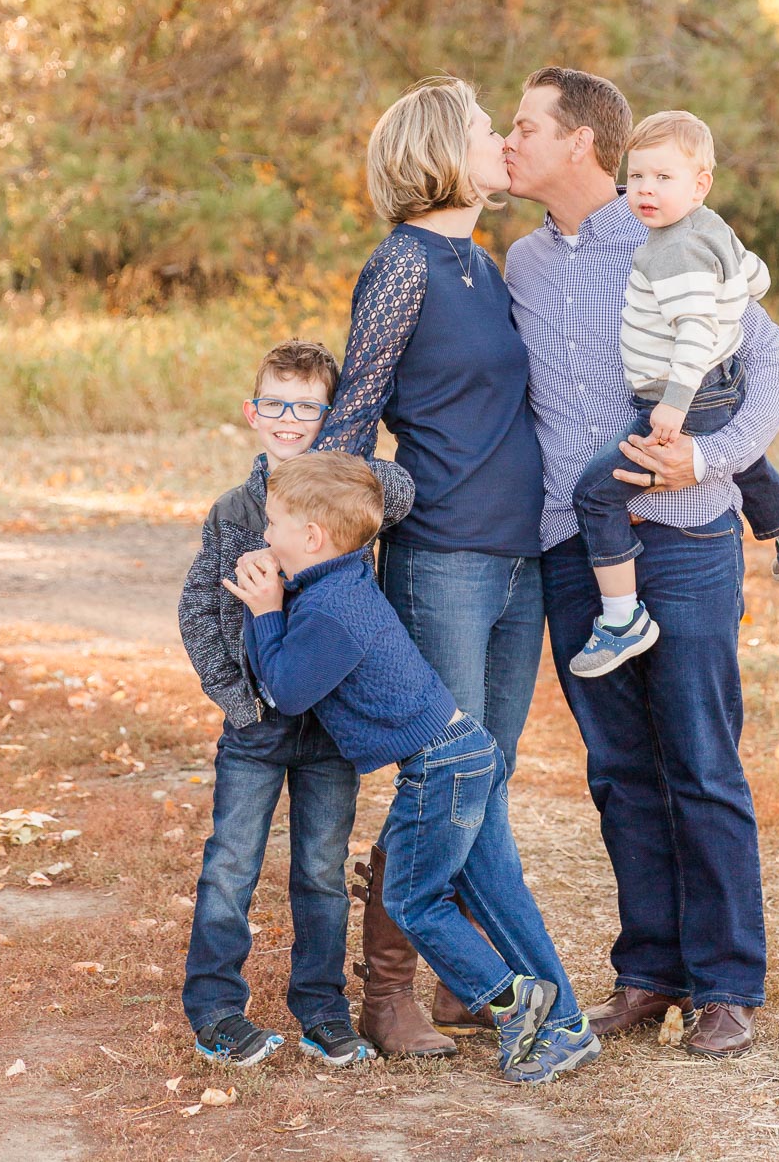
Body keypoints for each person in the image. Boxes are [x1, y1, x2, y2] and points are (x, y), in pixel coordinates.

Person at [505, 68, 779, 1059]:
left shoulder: (675, 238)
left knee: (700, 759)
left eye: (524, 126)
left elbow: (771, 370)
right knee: (619, 768)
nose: (510, 142)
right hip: (570, 543)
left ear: (578, 143)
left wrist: (709, 457)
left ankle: (724, 986)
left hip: (685, 537)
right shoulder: (520, 265)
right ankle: (648, 973)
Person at [225, 451, 601, 1086]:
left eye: (274, 524)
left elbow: (287, 691)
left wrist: (265, 610)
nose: (265, 534)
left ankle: (512, 1002)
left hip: (440, 768)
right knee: (496, 890)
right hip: (462, 752)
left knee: (409, 897)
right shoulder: (339, 582)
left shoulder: (329, 609)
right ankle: (566, 1026)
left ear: (312, 537)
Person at [311, 77, 546, 1057]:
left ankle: (464, 980)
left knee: (486, 775)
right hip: (442, 558)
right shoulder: (401, 264)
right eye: (489, 131)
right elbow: (350, 417)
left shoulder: (484, 265)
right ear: (444, 152)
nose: (502, 143)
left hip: (519, 558)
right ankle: (389, 990)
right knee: (443, 774)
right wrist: (345, 539)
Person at [178, 339, 414, 1068]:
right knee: (231, 862)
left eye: (308, 407)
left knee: (319, 867)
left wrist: (338, 450)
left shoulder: (352, 493)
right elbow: (197, 606)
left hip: (330, 727)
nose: (290, 419)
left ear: (332, 414)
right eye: (276, 404)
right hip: (256, 723)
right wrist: (235, 698)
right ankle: (217, 1009)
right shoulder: (235, 509)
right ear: (253, 412)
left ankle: (322, 1010)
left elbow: (402, 489)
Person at [569, 108, 779, 679]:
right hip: (716, 386)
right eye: (637, 177)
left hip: (681, 392)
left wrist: (674, 403)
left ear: (700, 184)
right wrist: (735, 295)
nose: (645, 190)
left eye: (663, 178)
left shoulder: (669, 251)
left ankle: (620, 616)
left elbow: (694, 335)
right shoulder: (711, 228)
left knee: (593, 491)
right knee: (740, 457)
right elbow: (754, 275)